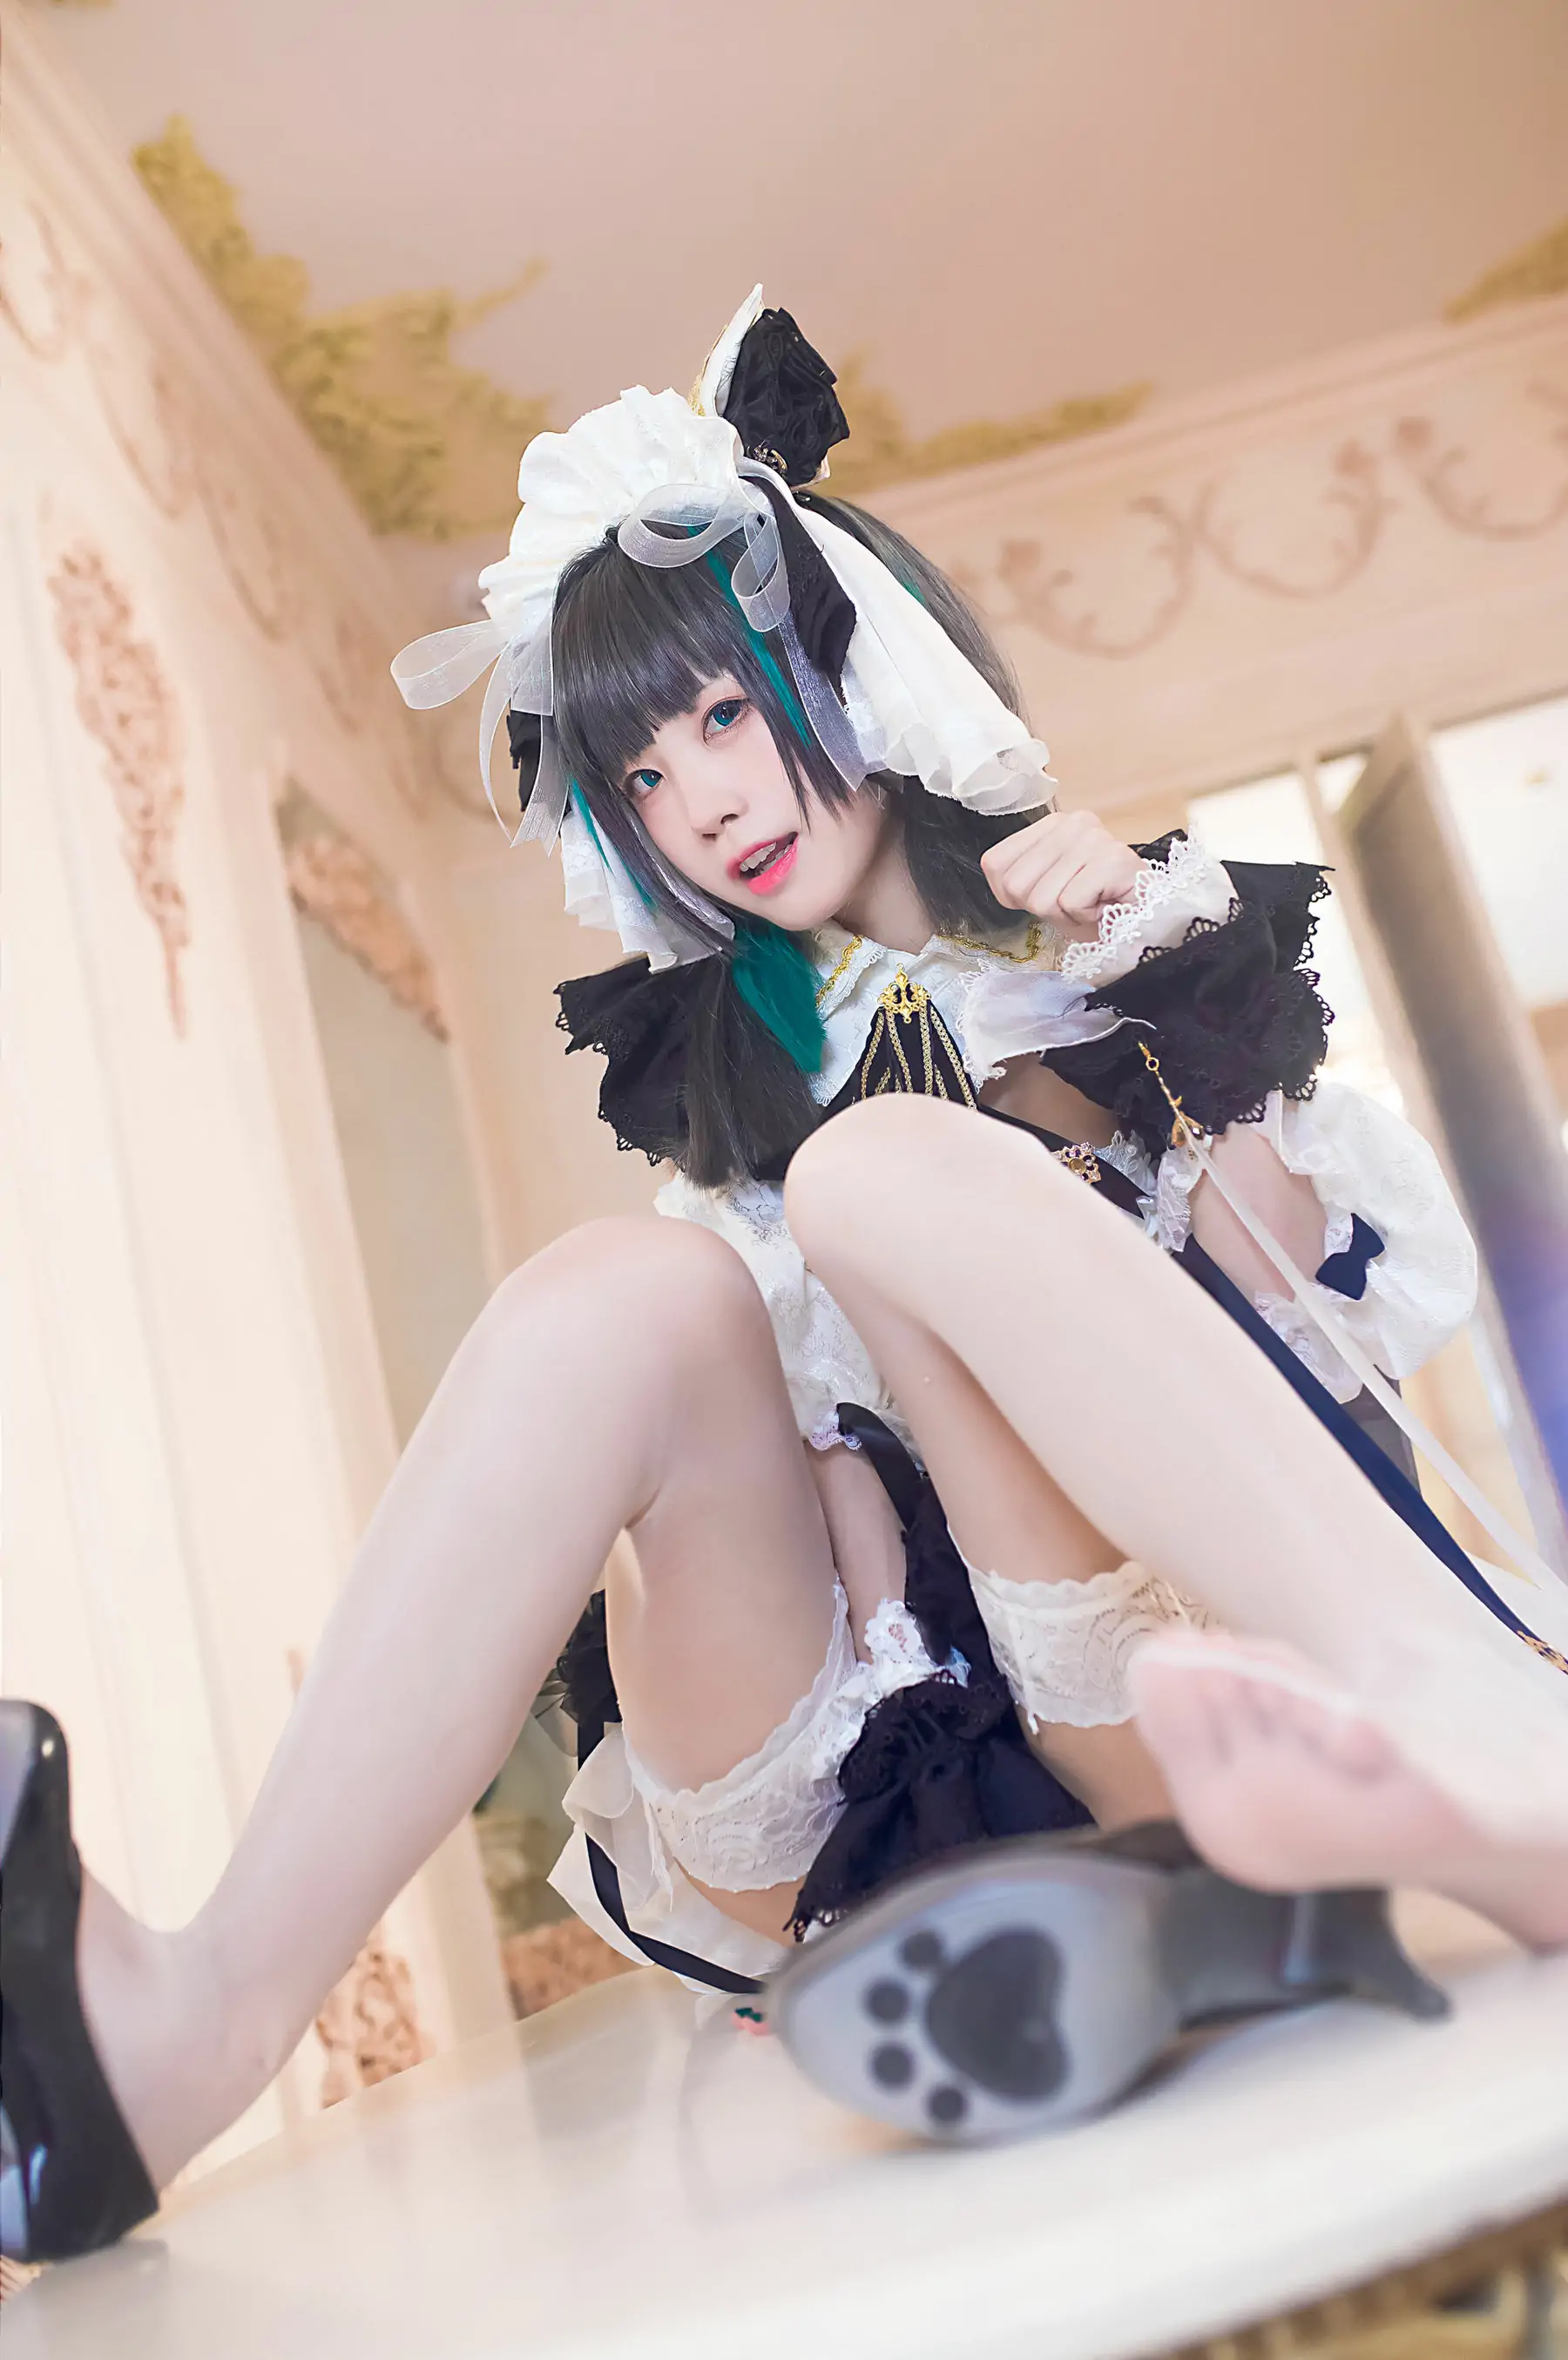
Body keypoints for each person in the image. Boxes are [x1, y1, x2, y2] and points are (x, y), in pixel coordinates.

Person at [3, 293, 1566, 2256]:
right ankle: (181, 2036)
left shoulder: (1122, 947)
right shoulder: (741, 1103)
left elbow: (1316, 1325)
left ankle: (1474, 1759)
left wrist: (1156, 960)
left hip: (1166, 1680)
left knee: (884, 1168)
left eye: (724, 716)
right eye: (643, 776)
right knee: (619, 1298)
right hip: (872, 1761)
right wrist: (837, 1506)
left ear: (853, 657)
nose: (706, 804)